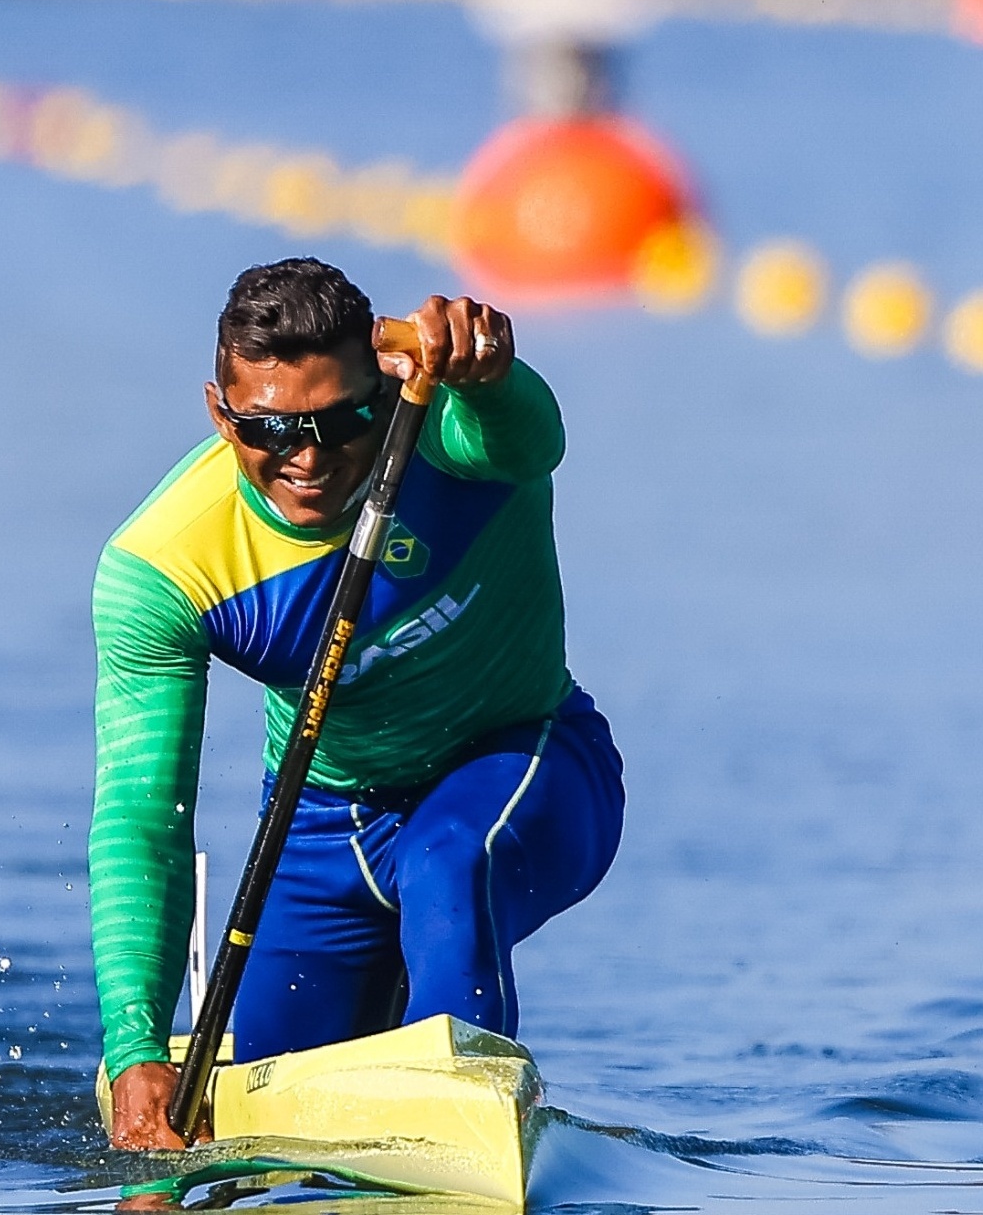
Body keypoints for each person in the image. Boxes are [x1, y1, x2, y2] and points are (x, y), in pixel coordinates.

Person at [90, 257, 624, 1149]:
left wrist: (492, 369)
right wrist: (136, 1046)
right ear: (220, 413)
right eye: (269, 427)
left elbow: (535, 440)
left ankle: (467, 1128)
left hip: (525, 762)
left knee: (449, 862)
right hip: (321, 827)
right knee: (260, 1130)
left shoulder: (449, 429)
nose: (307, 458)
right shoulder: (161, 569)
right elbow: (144, 816)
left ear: (383, 390)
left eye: (342, 423)